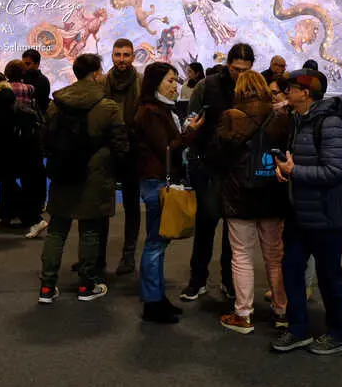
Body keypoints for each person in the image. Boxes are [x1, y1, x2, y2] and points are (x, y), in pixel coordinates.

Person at [271, 68, 342, 355]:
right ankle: (298, 330)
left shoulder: (330, 124)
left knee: (329, 276)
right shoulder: (298, 119)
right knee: (292, 270)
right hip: (299, 212)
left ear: (305, 93)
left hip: (326, 215)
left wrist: (295, 171)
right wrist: (285, 171)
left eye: (291, 89)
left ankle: (340, 333)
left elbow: (334, 171)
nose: (286, 93)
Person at [37, 53, 128, 304]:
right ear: (97, 74)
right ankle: (86, 285)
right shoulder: (108, 107)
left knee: (57, 230)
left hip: (63, 173)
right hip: (95, 175)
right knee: (90, 231)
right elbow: (120, 145)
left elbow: (45, 139)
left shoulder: (56, 103)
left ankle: (47, 287)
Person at [213, 70, 292, 335]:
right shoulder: (280, 118)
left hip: (239, 194)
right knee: (275, 256)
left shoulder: (231, 117)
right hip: (272, 192)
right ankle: (282, 310)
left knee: (241, 255)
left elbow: (219, 158)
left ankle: (243, 314)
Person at [181, 43, 254, 303]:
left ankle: (229, 281)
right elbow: (190, 121)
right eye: (236, 69)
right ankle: (197, 280)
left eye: (245, 70)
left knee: (234, 231)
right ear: (228, 65)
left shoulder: (254, 88)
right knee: (205, 225)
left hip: (240, 168)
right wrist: (194, 152)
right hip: (209, 167)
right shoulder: (206, 86)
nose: (240, 74)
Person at [133, 61, 202, 323]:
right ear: (156, 83)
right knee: (155, 244)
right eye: (170, 80)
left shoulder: (161, 109)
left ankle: (157, 297)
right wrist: (189, 133)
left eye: (175, 80)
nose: (175, 86)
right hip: (156, 182)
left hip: (159, 180)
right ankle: (153, 303)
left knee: (159, 243)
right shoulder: (151, 111)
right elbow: (166, 148)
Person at [102, 38, 143, 276]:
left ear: (133, 57)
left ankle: (128, 255)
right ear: (112, 56)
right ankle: (97, 256)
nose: (121, 59)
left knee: (131, 206)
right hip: (107, 149)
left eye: (126, 55)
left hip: (133, 150)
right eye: (118, 55)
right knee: (101, 204)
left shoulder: (141, 81)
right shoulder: (102, 82)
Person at [0, 60, 45, 232]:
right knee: (28, 177)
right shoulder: (30, 89)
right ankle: (30, 214)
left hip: (9, 136)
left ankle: (7, 215)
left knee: (8, 177)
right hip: (27, 136)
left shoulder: (3, 90)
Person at [21, 48, 52, 115]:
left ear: (37, 64)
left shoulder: (43, 81)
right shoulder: (20, 78)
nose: (24, 67)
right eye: (22, 64)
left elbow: (41, 104)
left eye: (27, 64)